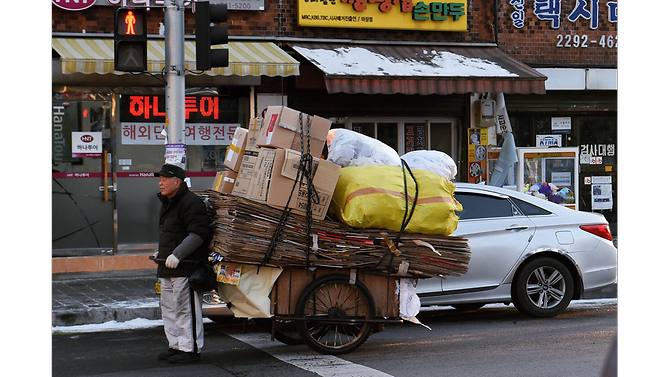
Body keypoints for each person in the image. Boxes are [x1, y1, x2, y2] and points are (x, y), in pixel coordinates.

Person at [152, 164, 212, 363]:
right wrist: (162, 253)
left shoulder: (190, 202)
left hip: (186, 265)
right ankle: (176, 345)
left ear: (177, 182)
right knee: (169, 307)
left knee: (186, 308)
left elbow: (199, 233)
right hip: (168, 266)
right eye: (159, 179)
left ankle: (190, 349)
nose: (160, 182)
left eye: (164, 179)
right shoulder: (168, 202)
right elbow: (172, 234)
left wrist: (177, 254)